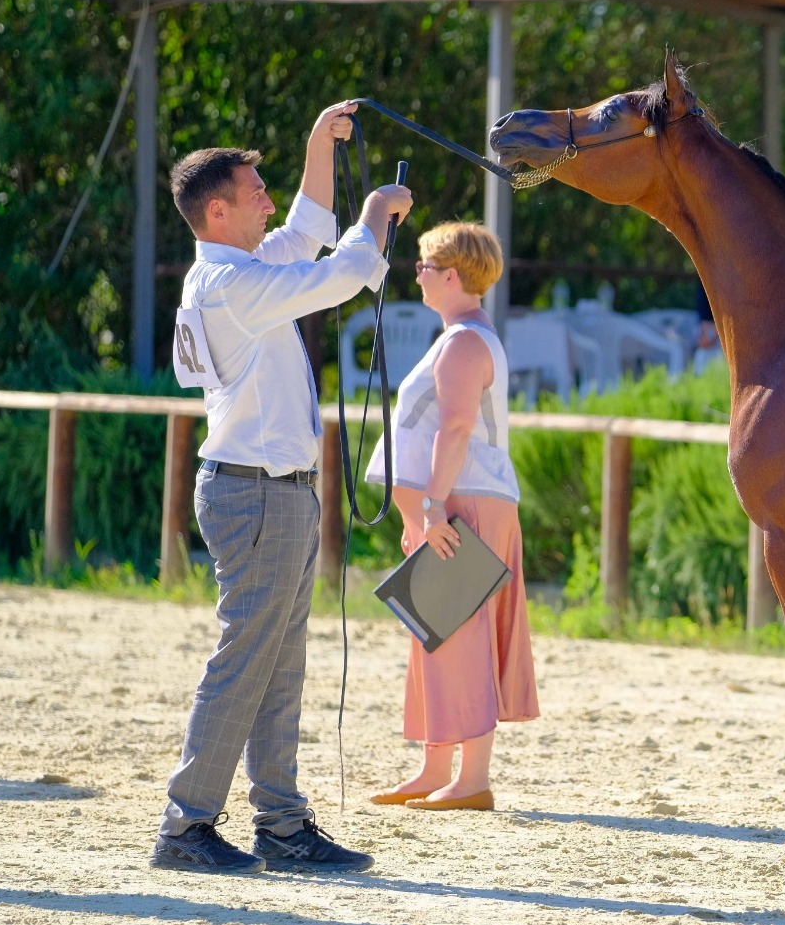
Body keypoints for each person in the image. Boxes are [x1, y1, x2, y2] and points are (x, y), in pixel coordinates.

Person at [153, 105, 412, 874]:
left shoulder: (236, 272)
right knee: (247, 660)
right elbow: (339, 273)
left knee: (277, 663)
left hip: (274, 490)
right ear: (218, 211)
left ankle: (281, 824)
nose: (268, 201)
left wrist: (316, 146)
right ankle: (187, 823)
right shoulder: (233, 283)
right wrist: (374, 217)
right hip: (257, 492)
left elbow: (303, 233)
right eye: (255, 191)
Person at [365, 222, 540, 812]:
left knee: (462, 633)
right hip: (456, 501)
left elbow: (457, 427)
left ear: (453, 276)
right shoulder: (461, 337)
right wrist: (422, 510)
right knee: (435, 629)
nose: (417, 274)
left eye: (425, 266)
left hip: (465, 501)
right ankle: (436, 768)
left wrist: (433, 504)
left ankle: (473, 779)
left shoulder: (465, 342)